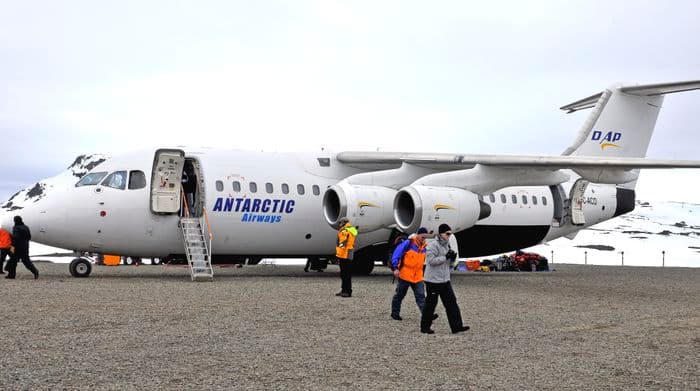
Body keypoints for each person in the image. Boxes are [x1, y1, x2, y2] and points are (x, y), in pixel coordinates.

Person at [420, 223, 469, 334]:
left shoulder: (447, 245)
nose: (449, 236)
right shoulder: (433, 245)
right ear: (441, 233)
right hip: (432, 280)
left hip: (445, 280)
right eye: (447, 234)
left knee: (452, 303)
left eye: (450, 234)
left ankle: (457, 326)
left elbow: (449, 264)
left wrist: (452, 259)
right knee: (430, 305)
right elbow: (431, 261)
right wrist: (445, 257)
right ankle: (424, 327)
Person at [390, 227, 438, 322]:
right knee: (399, 295)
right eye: (422, 236)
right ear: (418, 235)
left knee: (421, 297)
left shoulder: (425, 247)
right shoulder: (409, 243)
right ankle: (395, 313)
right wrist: (395, 268)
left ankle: (427, 315)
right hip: (405, 275)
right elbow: (396, 254)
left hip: (418, 276)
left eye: (425, 236)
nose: (423, 238)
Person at [334, 217, 357, 298]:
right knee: (346, 274)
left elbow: (342, 244)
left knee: (345, 274)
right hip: (349, 254)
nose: (339, 224)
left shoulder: (345, 231)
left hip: (344, 255)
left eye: (340, 223)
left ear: (343, 223)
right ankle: (345, 290)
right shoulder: (351, 229)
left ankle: (346, 291)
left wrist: (338, 255)